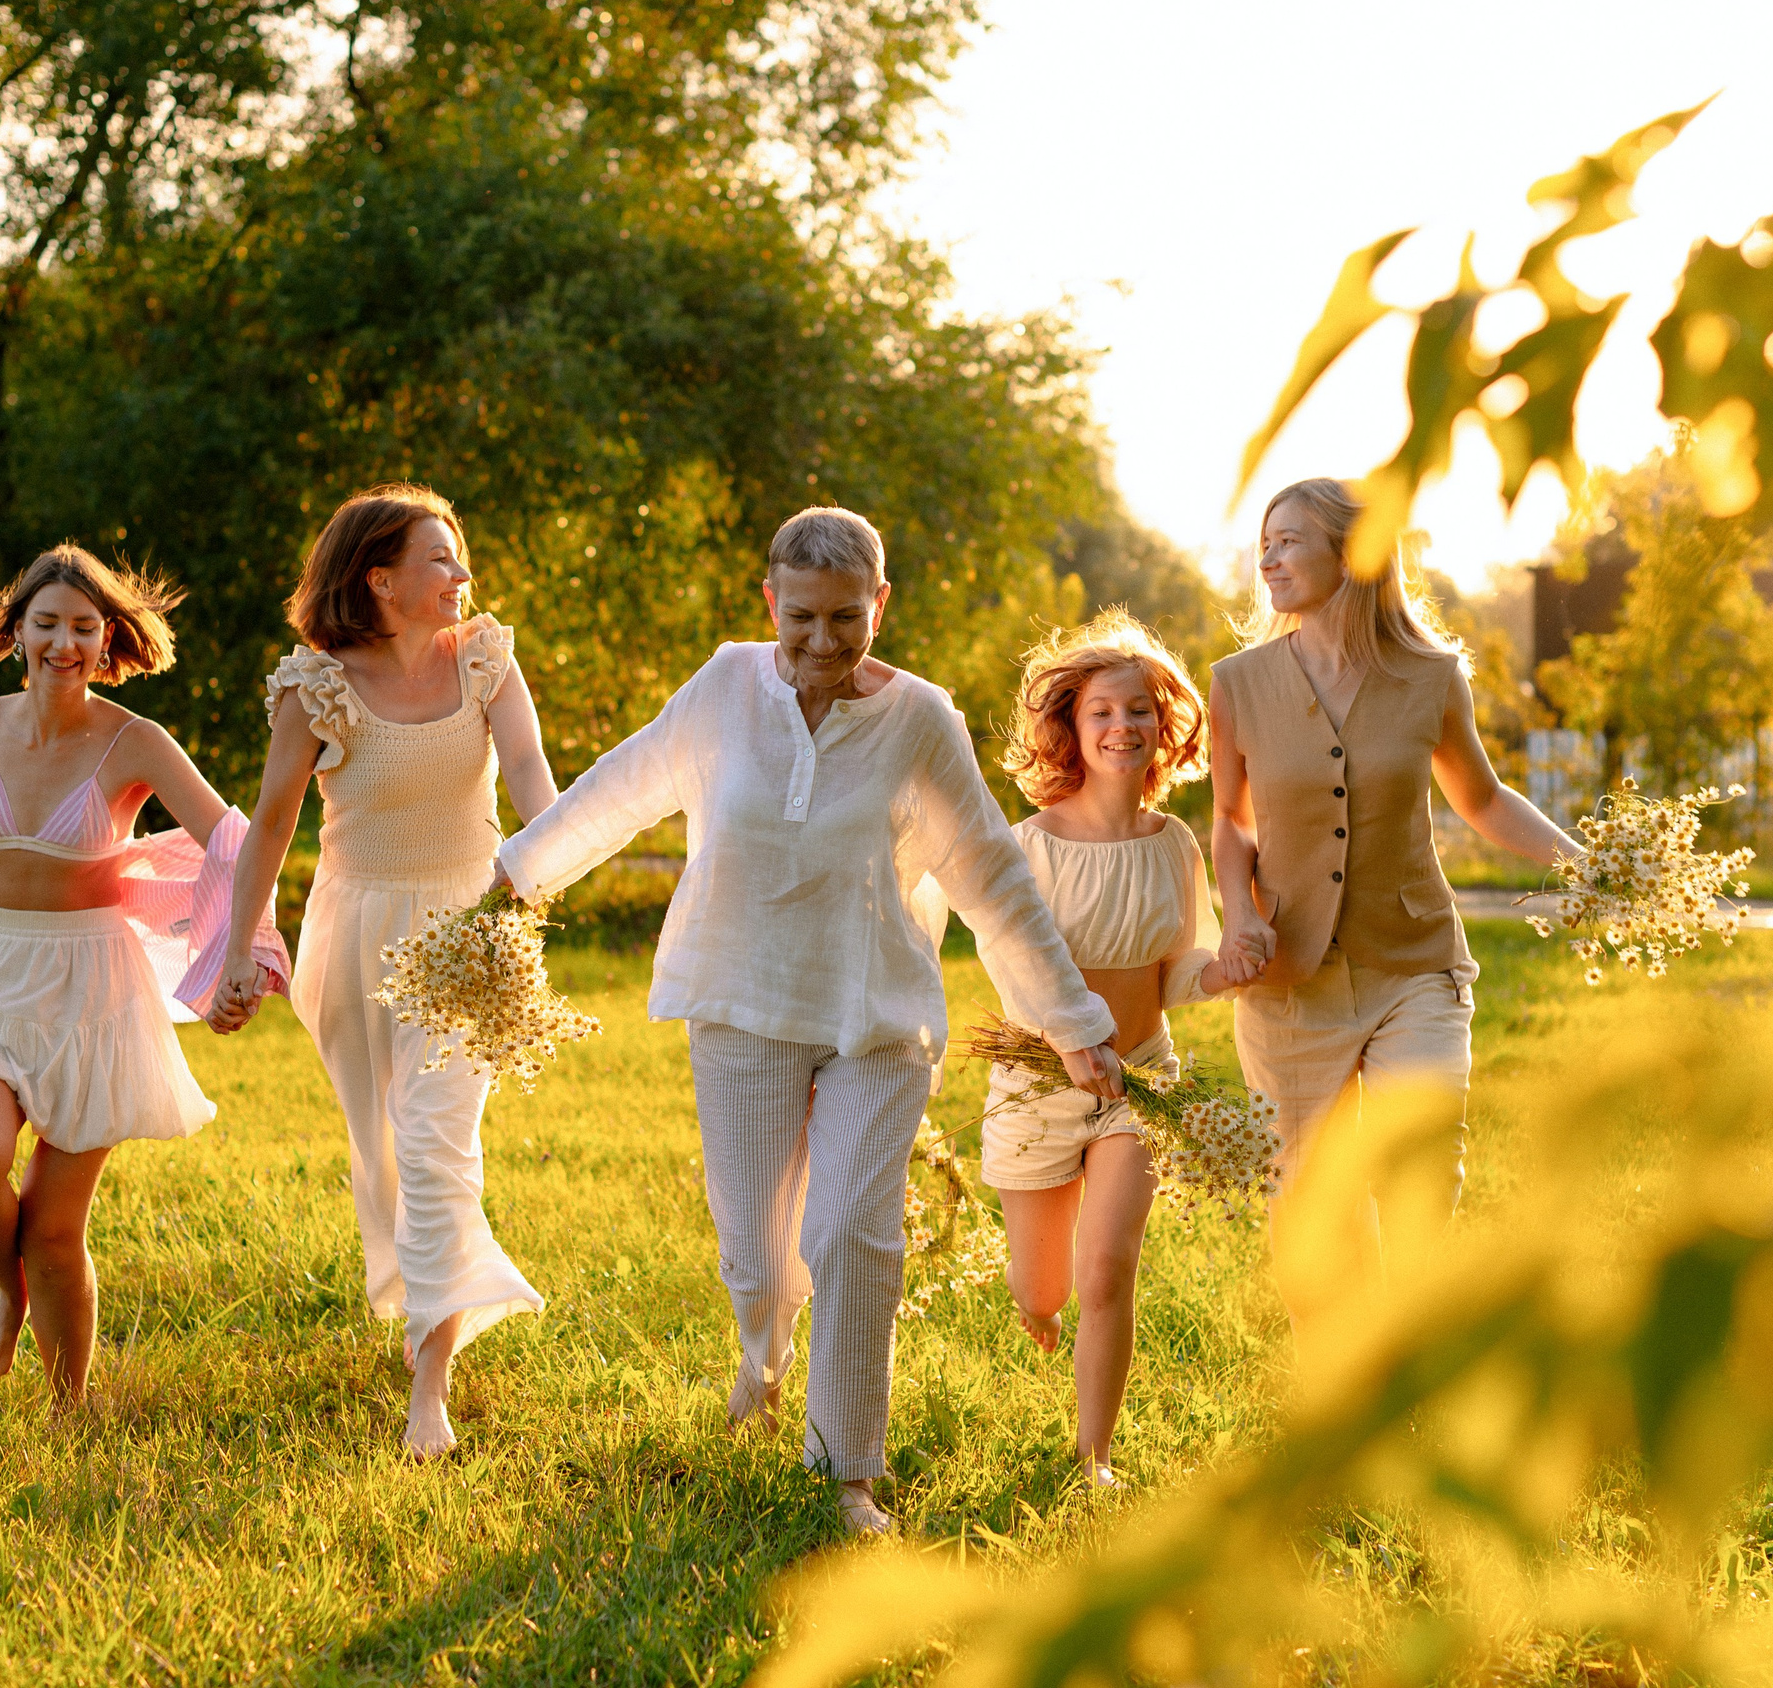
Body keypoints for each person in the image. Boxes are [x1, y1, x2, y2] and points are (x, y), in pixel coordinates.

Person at [488, 506, 1121, 1534]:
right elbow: (627, 783)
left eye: (846, 619)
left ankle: (847, 1470)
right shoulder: (725, 687)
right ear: (769, 601)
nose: (823, 643)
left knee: (851, 1233)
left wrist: (1073, 1020)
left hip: (876, 1011)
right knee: (753, 1249)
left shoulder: (920, 717)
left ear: (880, 603)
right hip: (741, 999)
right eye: (802, 619)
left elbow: (991, 877)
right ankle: (762, 1355)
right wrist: (516, 874)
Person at [0, 545, 288, 1404]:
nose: (64, 643)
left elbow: (233, 837)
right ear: (18, 630)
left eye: (83, 626)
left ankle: (69, 1410)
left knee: (55, 1231)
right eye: (47, 624)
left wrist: (241, 955)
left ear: (110, 638)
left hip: (91, 993)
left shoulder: (135, 740)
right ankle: (11, 1294)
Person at [209, 485, 554, 1460]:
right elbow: (273, 823)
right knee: (387, 1153)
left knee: (439, 1140)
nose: (460, 575)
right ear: (382, 578)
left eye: (460, 557)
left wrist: (550, 862)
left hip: (470, 934)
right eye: (439, 559)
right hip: (354, 935)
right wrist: (245, 946)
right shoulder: (315, 685)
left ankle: (430, 1390)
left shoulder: (487, 659)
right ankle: (428, 1300)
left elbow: (532, 782)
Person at [1206, 479, 1579, 1306]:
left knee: (1420, 1180)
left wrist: (1581, 863)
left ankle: (1406, 1357)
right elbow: (1230, 823)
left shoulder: (1431, 675)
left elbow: (1480, 798)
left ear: (1355, 554)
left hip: (1414, 965)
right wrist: (1239, 915)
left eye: (1289, 540)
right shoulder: (1237, 682)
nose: (1267, 557)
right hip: (1292, 980)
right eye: (1264, 542)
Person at [924, 607, 1233, 1489]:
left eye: (1139, 710)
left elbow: (1182, 964)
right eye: (1102, 710)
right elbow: (1011, 962)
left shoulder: (1174, 845)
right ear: (1072, 724)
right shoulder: (1028, 846)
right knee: (1045, 1288)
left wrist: (1228, 969)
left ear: (1162, 727)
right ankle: (1039, 1306)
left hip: (1141, 1080)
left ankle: (1094, 1456)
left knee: (1109, 1268)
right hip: (1036, 1083)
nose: (1122, 726)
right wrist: (1069, 1042)